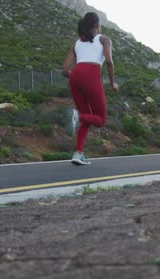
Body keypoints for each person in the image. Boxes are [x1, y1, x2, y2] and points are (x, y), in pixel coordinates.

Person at [61, 12, 118, 166]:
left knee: (87, 117)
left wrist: (77, 77)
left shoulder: (77, 43)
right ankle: (77, 116)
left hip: (75, 77)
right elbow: (109, 62)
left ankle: (78, 154)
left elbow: (65, 70)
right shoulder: (104, 39)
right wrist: (113, 82)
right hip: (91, 76)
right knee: (100, 119)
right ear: (96, 26)